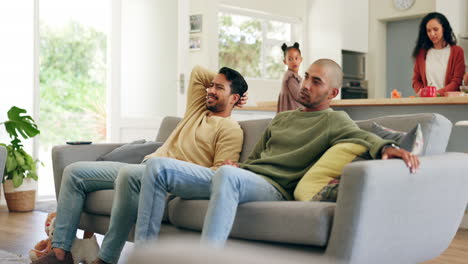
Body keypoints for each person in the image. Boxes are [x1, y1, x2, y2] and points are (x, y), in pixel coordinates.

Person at [135, 59, 420, 247]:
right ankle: (145, 255)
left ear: (332, 93)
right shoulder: (282, 118)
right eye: (306, 77)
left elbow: (364, 135)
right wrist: (240, 166)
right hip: (245, 179)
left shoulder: (335, 120)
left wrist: (389, 147)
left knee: (227, 176)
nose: (306, 85)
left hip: (276, 188)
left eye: (316, 82)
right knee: (159, 168)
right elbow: (255, 160)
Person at [32, 65, 248, 264]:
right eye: (211, 85)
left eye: (219, 88)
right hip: (143, 166)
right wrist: (223, 85)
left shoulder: (230, 129)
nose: (210, 90)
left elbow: (218, 175)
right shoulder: (197, 109)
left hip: (166, 179)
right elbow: (198, 73)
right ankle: (61, 252)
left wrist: (234, 89)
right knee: (73, 172)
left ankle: (106, 258)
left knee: (128, 173)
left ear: (234, 98)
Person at [412, 12, 466, 96]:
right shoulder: (421, 53)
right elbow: (416, 80)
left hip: (449, 103)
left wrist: (436, 94)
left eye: (435, 29)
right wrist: (423, 93)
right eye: (428, 31)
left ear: (443, 29)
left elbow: (457, 81)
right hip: (426, 103)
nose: (432, 34)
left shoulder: (457, 52)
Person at [277, 42, 303, 112]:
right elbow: (299, 96)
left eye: (296, 58)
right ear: (285, 61)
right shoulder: (291, 77)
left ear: (301, 59)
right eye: (290, 59)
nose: (294, 61)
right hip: (292, 113)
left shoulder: (292, 75)